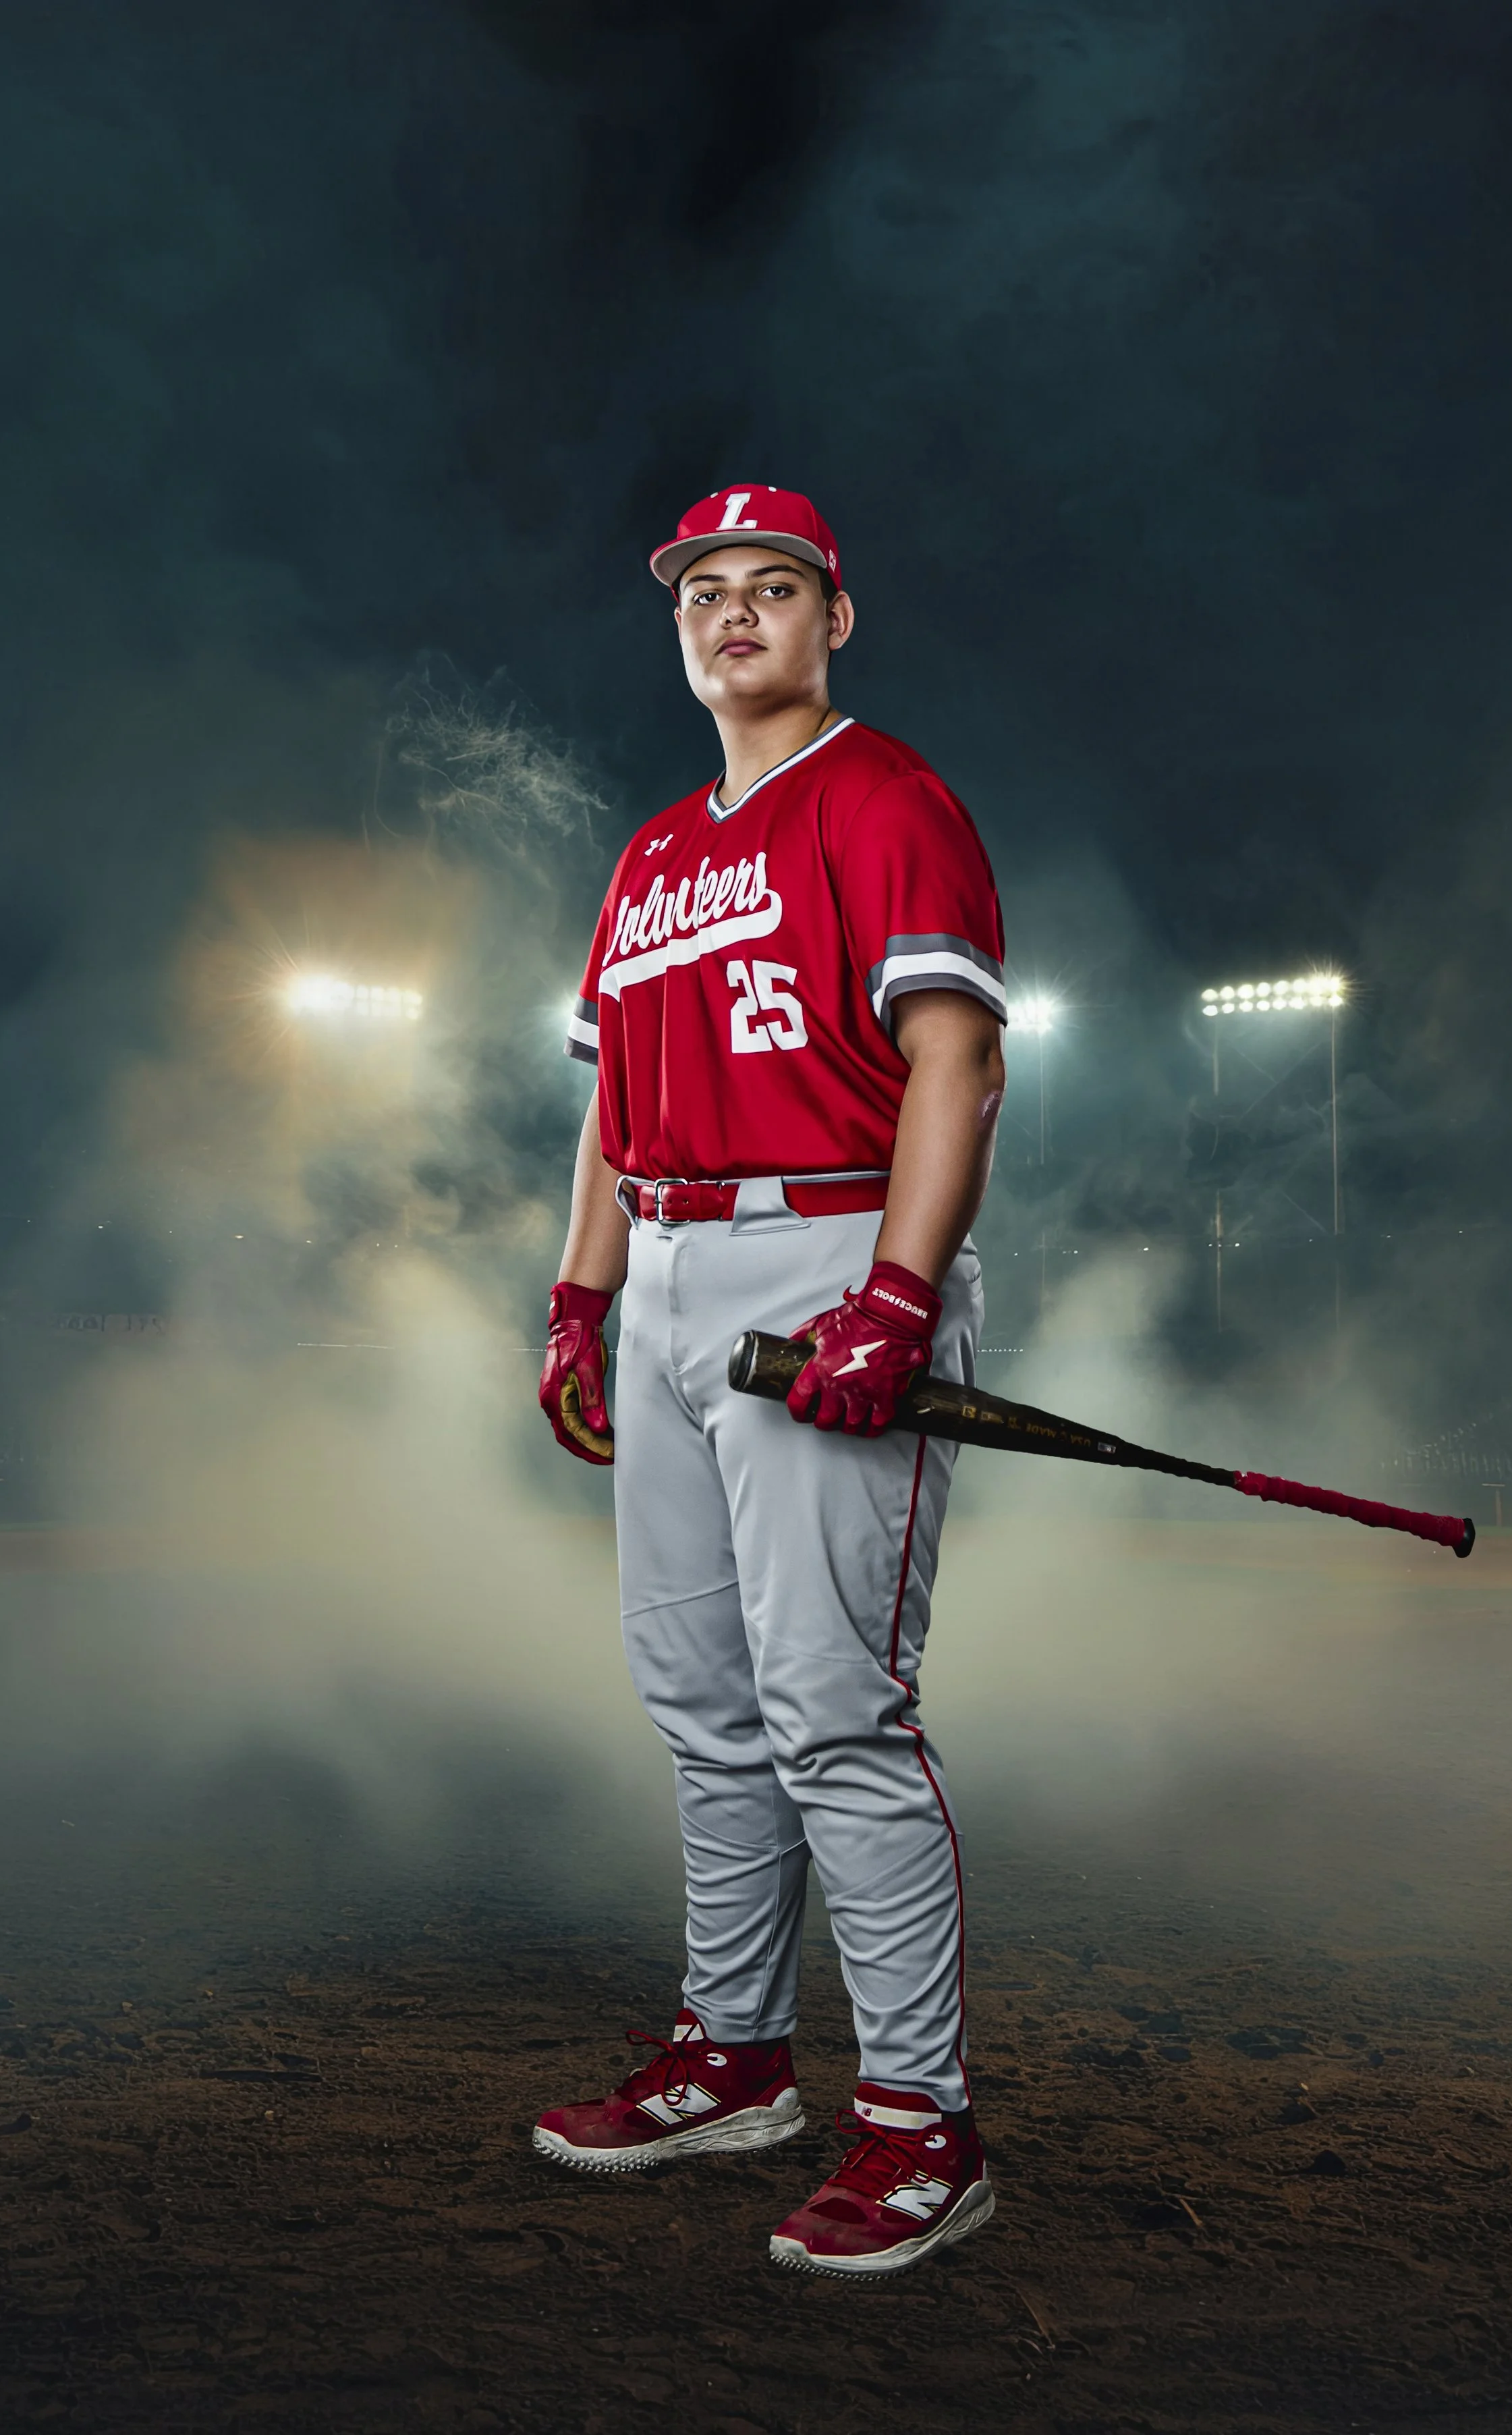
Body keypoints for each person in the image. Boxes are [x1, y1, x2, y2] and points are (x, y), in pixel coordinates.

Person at [534, 485, 1007, 2277]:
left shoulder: (886, 799)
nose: (733, 613)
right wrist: (580, 1300)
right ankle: (732, 2055)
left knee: (831, 1707)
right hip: (663, 1260)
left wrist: (893, 1291)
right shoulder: (652, 855)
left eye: (774, 587)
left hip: (821, 1246)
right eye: (704, 590)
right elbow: (608, 1103)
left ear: (835, 619)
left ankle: (921, 2125)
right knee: (698, 1693)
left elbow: (950, 1058)